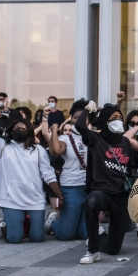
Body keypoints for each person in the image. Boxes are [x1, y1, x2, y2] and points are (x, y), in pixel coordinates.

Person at [0, 111, 63, 243]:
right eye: (17, 129)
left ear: (29, 132)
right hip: (11, 199)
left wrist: (60, 196)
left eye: (24, 129)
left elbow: (48, 175)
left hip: (35, 200)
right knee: (15, 238)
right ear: (11, 131)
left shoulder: (38, 150)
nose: (20, 131)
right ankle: (2, 224)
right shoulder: (2, 146)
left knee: (37, 238)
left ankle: (20, 223)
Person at [75, 102, 134, 264]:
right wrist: (88, 109)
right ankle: (93, 251)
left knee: (113, 249)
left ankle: (98, 236)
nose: (118, 120)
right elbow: (80, 125)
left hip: (121, 194)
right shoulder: (95, 139)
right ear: (104, 121)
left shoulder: (125, 142)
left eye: (120, 117)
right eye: (113, 118)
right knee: (92, 202)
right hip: (102, 191)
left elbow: (130, 167)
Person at [43, 99, 89, 241]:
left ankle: (73, 224)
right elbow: (56, 150)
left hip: (89, 188)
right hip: (71, 188)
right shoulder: (65, 138)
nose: (79, 120)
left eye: (83, 118)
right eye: (75, 117)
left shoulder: (93, 136)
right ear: (71, 120)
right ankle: (53, 222)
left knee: (85, 235)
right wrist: (55, 130)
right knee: (66, 235)